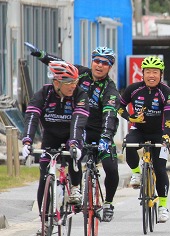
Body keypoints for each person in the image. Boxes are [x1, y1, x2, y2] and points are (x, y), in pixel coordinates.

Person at [29, 46, 121, 221]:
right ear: (91, 61)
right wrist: (41, 55)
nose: (99, 65)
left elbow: (109, 115)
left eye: (105, 63)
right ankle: (74, 188)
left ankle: (108, 203)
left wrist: (106, 137)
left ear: (110, 67)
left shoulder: (110, 89)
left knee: (111, 167)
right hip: (79, 128)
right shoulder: (82, 73)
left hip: (101, 132)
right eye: (96, 61)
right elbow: (59, 65)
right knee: (72, 155)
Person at [21, 61, 88, 236]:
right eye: (69, 82)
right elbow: (32, 116)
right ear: (56, 82)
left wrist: (74, 143)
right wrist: (27, 140)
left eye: (75, 81)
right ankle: (44, 224)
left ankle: (75, 188)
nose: (73, 86)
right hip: (50, 136)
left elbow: (78, 121)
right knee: (44, 178)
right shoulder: (43, 94)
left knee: (74, 156)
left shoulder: (80, 94)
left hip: (72, 135)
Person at [117, 56, 170, 223]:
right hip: (139, 130)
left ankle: (163, 206)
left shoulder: (166, 92)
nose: (151, 75)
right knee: (129, 146)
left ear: (161, 74)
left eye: (155, 72)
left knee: (160, 168)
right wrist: (131, 117)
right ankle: (136, 173)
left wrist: (166, 135)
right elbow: (119, 107)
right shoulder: (133, 89)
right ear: (142, 73)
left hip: (159, 133)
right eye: (148, 72)